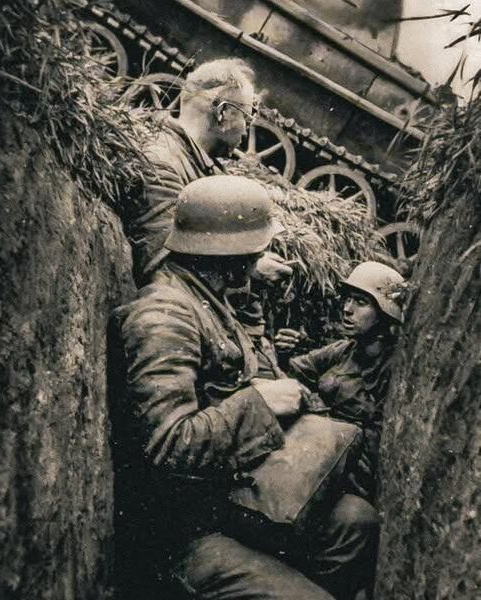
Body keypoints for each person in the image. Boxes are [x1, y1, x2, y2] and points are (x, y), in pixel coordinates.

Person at [109, 175, 380, 600]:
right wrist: (260, 403)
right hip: (180, 533)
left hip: (223, 499)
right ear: (233, 256)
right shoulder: (165, 315)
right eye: (256, 251)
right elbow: (166, 444)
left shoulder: (208, 301)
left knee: (355, 520)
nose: (261, 259)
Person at [122, 56, 291, 286]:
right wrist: (248, 268)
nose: (246, 130)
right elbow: (164, 258)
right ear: (223, 113)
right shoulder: (162, 162)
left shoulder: (199, 164)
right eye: (247, 117)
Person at [286, 261, 406, 503]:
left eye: (360, 302)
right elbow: (298, 369)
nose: (347, 309)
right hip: (317, 449)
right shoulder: (346, 349)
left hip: (349, 471)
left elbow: (376, 442)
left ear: (384, 313)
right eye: (348, 299)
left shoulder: (393, 367)